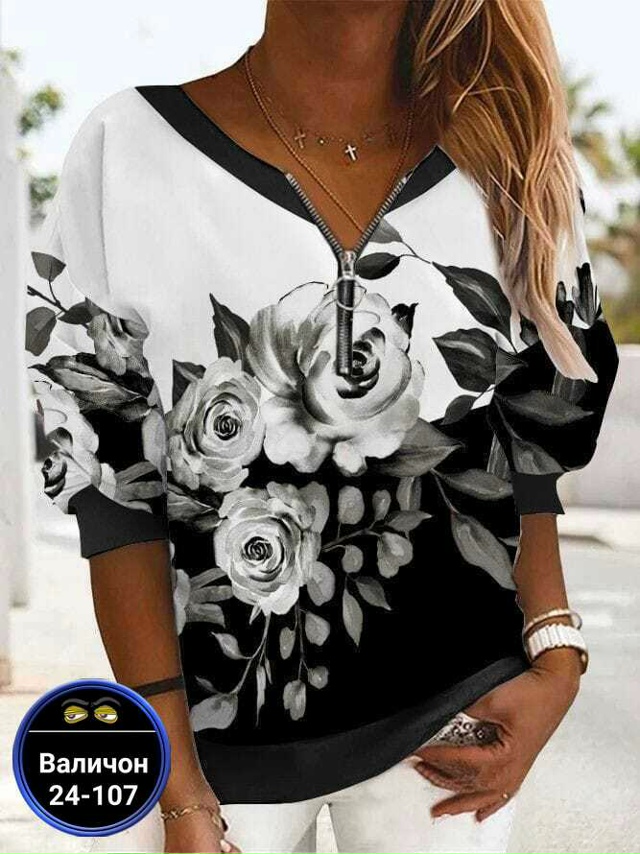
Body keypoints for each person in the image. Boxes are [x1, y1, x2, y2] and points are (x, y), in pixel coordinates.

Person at [24, 2, 619, 852]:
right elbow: (110, 488)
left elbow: (528, 451)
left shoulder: (511, 164)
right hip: (210, 750)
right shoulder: (126, 152)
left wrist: (557, 656)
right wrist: (178, 788)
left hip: (456, 727)